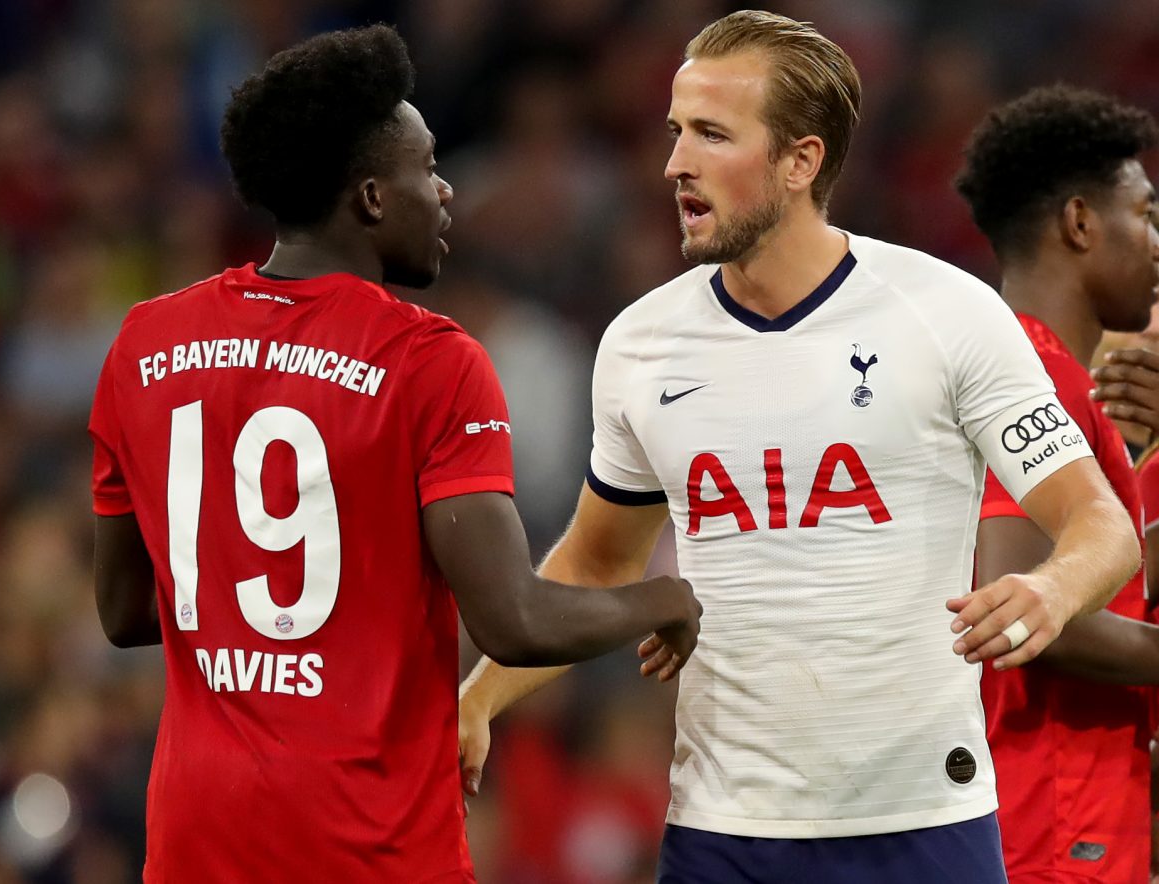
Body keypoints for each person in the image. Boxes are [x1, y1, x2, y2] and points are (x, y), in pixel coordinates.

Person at [458, 11, 1140, 884]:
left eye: (711, 134)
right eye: (675, 133)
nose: (674, 163)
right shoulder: (641, 344)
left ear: (800, 161)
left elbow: (1102, 526)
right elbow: (596, 562)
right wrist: (480, 698)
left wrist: (1051, 588)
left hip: (923, 826)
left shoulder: (949, 312)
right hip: (719, 834)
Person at [87, 26, 701, 884]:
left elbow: (123, 614)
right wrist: (666, 598)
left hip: (197, 838)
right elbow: (514, 622)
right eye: (427, 167)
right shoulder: (428, 361)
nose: (447, 191)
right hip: (367, 844)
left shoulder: (145, 344)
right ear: (372, 198)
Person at [954, 84, 1159, 884]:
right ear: (1079, 223)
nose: (1157, 241)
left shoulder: (1042, 373)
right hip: (1052, 820)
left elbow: (1123, 585)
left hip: (1063, 809)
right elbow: (1025, 608)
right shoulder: (1033, 377)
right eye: (1145, 214)